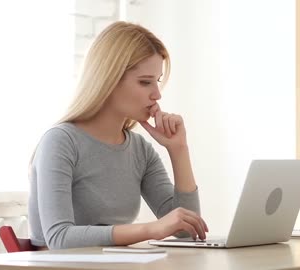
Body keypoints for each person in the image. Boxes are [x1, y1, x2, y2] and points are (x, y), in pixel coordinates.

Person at [28, 21, 209, 250]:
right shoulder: (61, 141)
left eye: (157, 81)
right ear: (109, 79)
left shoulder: (140, 149)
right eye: (145, 82)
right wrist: (151, 229)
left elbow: (185, 230)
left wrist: (179, 149)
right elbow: (59, 238)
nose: (157, 95)